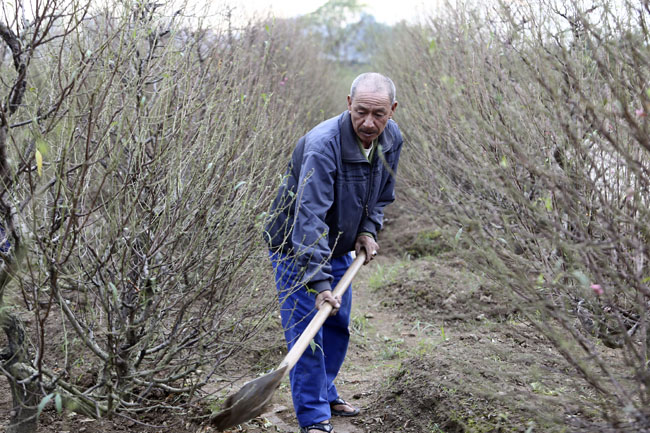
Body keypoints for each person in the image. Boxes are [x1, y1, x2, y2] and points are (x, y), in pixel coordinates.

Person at [264, 72, 402, 433]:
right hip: (295, 245)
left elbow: (382, 194)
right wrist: (319, 281)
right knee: (309, 331)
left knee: (337, 323)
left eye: (378, 114)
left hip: (340, 241)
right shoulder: (323, 146)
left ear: (392, 111)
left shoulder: (393, 140)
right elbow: (308, 218)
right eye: (360, 112)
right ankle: (313, 417)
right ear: (348, 104)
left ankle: (324, 393)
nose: (368, 123)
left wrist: (368, 230)